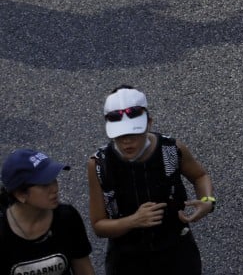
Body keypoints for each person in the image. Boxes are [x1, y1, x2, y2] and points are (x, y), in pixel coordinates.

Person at [87, 85, 215, 274]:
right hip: (127, 260)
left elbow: (200, 176)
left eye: (133, 134)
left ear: (149, 123)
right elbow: (99, 225)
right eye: (120, 136)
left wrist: (207, 201)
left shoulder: (171, 149)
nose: (127, 142)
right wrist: (134, 220)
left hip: (177, 253)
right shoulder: (99, 164)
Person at [0, 148, 95, 275]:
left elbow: (84, 269)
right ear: (20, 194)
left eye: (54, 180)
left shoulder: (67, 217)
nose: (55, 188)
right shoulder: (3, 231)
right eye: (44, 184)